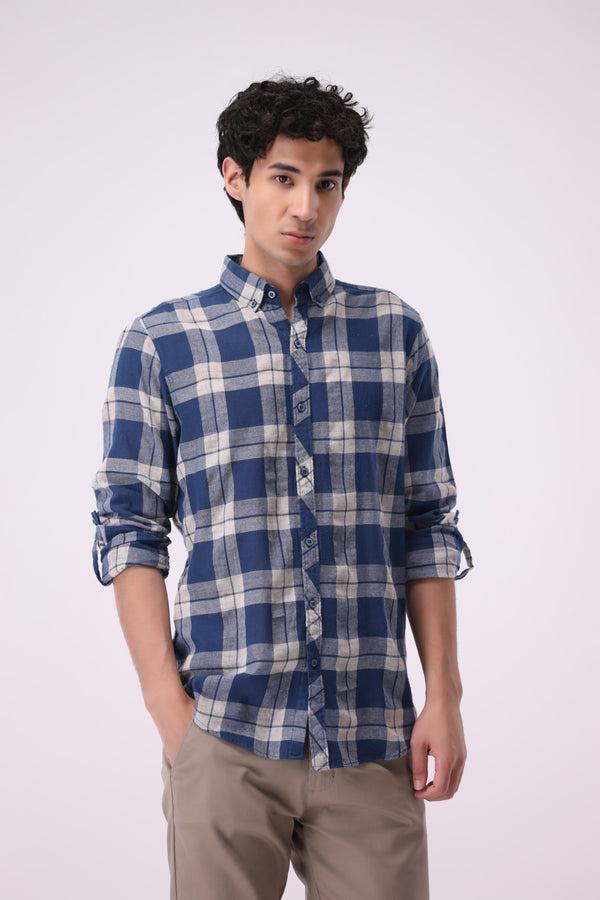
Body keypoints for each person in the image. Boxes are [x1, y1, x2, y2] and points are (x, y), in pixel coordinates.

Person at [92, 75, 473, 900]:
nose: (306, 206)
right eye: (284, 178)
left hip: (371, 736)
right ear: (235, 177)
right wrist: (171, 714)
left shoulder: (395, 332)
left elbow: (428, 523)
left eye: (327, 183)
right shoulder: (162, 341)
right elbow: (128, 531)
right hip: (224, 735)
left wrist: (442, 696)